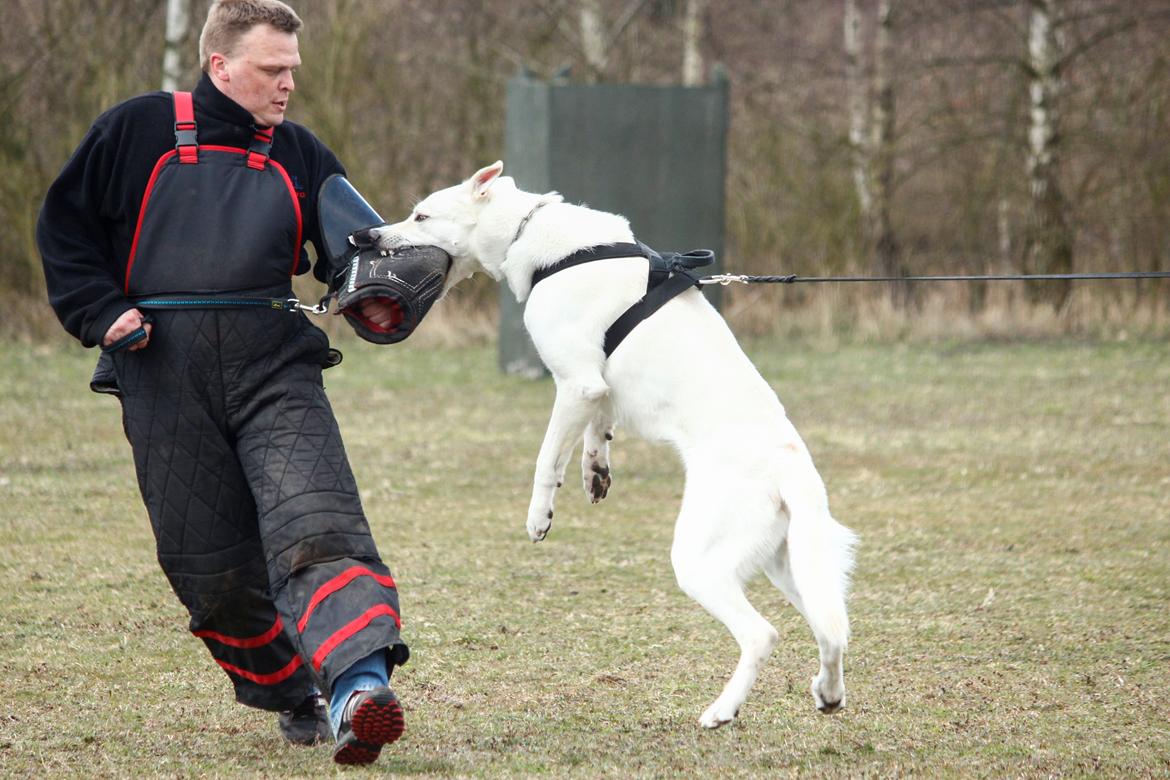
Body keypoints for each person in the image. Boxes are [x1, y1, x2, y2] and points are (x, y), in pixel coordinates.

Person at [37, 0, 407, 766]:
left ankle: (358, 690)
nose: (287, 86)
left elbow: (356, 249)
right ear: (220, 65)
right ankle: (296, 690)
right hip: (160, 370)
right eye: (273, 70)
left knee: (320, 522)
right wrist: (102, 310)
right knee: (210, 569)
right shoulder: (135, 130)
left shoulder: (301, 153)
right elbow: (65, 230)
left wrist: (380, 287)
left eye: (293, 71)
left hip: (275, 366)